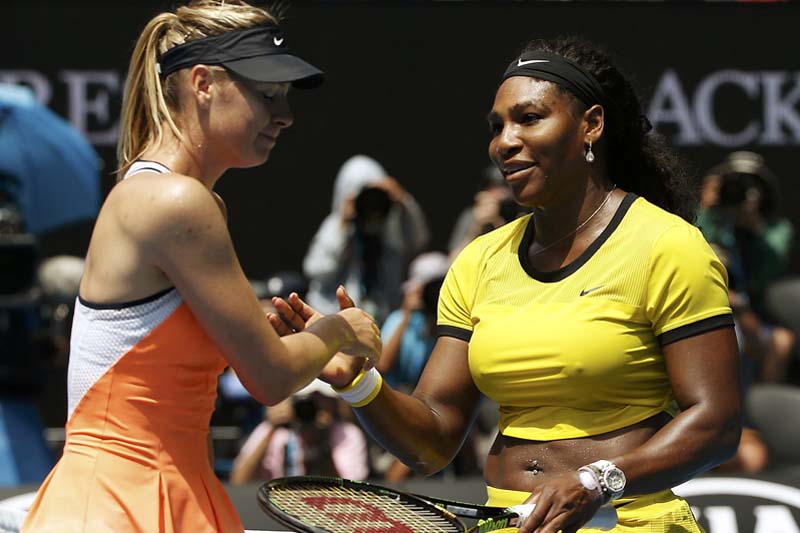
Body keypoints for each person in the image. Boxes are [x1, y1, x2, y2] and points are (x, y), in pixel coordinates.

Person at [275, 37, 741, 533]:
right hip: (506, 524)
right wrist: (358, 382)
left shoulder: (667, 245)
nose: (504, 141)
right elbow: (433, 441)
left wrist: (599, 480)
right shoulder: (477, 262)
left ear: (592, 124)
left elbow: (717, 422)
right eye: (497, 126)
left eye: (529, 118)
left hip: (631, 522)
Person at [21, 2, 380, 532]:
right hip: (120, 503)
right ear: (203, 83)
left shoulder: (175, 198)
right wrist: (338, 329)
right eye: (267, 94)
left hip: (155, 494)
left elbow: (174, 356)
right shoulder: (176, 202)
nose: (285, 115)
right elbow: (269, 378)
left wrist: (307, 356)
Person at [303, 154, 430, 324]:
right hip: (337, 323)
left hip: (382, 320)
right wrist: (342, 225)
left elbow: (418, 240)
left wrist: (403, 201)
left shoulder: (390, 226)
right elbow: (317, 270)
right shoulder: (335, 225)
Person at [229, 379, 368, 484]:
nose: (313, 406)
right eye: (309, 399)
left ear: (333, 404)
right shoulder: (271, 430)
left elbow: (349, 495)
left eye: (321, 399)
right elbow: (239, 481)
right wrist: (272, 430)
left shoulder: (349, 434)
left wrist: (322, 443)